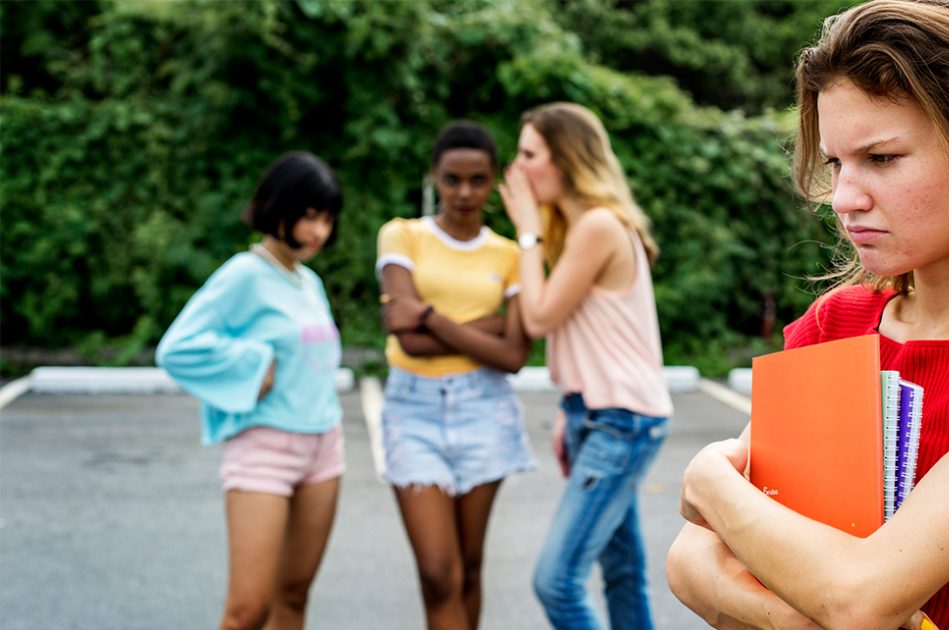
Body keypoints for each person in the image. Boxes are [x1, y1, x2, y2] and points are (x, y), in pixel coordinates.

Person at [665, 1, 949, 628]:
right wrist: (802, 617)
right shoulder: (837, 323)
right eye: (836, 163)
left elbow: (859, 596)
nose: (844, 199)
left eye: (882, 159)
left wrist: (706, 482)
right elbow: (690, 561)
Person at [497, 102, 673, 630]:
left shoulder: (597, 225)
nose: (518, 168)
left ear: (566, 159)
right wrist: (568, 406)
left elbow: (540, 316)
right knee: (621, 571)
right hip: (598, 412)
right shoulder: (584, 226)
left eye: (529, 154)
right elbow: (583, 334)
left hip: (620, 422)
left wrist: (526, 231)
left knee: (556, 582)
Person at [156, 151, 346, 630]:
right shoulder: (244, 274)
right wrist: (251, 363)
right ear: (278, 208)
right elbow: (176, 348)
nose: (319, 231)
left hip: (324, 446)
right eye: (309, 216)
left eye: (326, 219)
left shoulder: (309, 281)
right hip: (266, 449)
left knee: (295, 597)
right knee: (247, 612)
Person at [375, 121, 536, 630]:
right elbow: (410, 342)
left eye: (477, 180)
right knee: (437, 572)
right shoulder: (402, 234)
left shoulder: (510, 254)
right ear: (434, 178)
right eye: (452, 180)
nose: (464, 192)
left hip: (483, 409)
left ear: (493, 182)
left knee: (468, 567)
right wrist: (483, 330)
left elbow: (513, 354)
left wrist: (428, 315)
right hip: (412, 411)